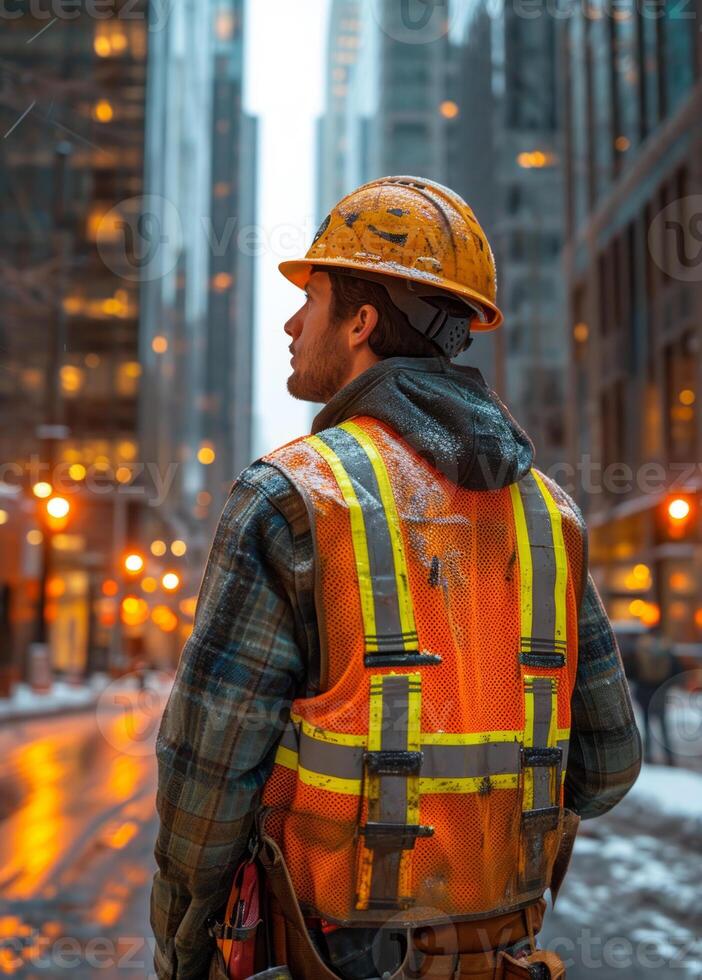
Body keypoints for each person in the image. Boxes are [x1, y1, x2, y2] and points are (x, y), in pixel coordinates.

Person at [150, 176, 642, 980]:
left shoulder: (293, 496)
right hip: (501, 956)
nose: (291, 321)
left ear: (362, 321)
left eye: (310, 298)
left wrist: (182, 951)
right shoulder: (549, 515)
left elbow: (208, 779)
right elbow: (610, 764)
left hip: (327, 954)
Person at [634, 626, 677, 765]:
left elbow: (632, 669)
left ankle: (649, 756)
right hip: (660, 689)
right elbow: (676, 669)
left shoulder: (641, 648)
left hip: (644, 689)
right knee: (663, 724)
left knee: (647, 724)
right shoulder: (666, 648)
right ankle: (669, 756)